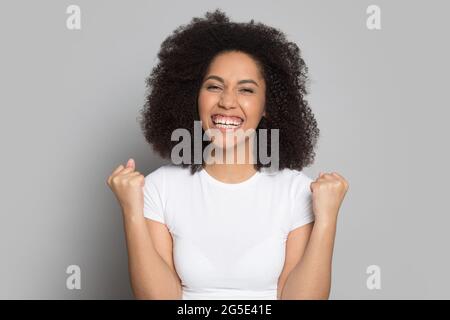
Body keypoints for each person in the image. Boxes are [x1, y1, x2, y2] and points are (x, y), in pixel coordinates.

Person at [107, 9, 349, 300]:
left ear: (268, 106)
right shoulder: (160, 188)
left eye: (246, 90)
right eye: (214, 86)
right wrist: (132, 211)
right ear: (193, 97)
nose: (227, 102)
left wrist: (327, 219)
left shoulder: (296, 191)